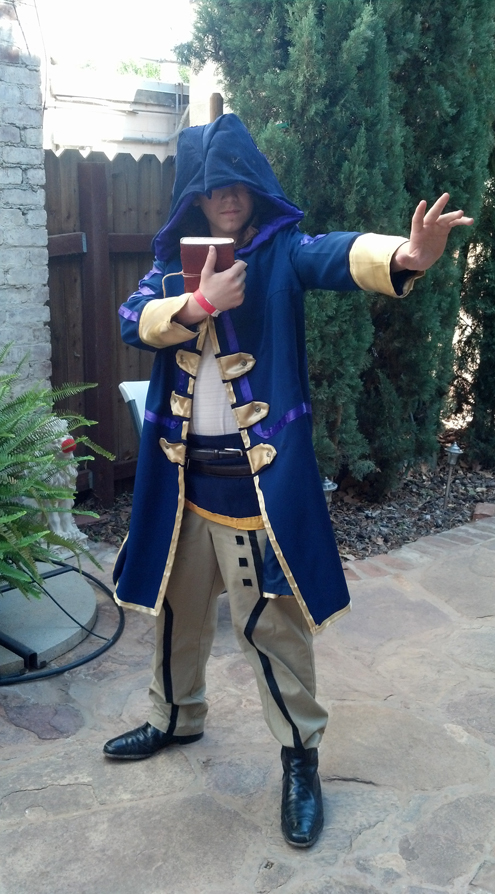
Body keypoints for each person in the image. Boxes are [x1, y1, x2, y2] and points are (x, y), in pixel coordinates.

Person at [104, 114, 472, 847]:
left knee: (271, 624)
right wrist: (200, 304)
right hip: (181, 488)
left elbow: (335, 254)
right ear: (197, 199)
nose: (227, 197)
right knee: (177, 612)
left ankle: (300, 755)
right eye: (213, 188)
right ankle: (175, 717)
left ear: (255, 189)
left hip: (254, 491)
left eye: (237, 184)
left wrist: (406, 255)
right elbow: (132, 319)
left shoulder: (281, 253)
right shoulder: (171, 268)